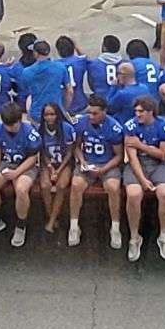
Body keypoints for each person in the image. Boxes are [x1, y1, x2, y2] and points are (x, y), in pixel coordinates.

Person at [121, 97, 165, 261]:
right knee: (134, 194)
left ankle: (164, 235)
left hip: (159, 165)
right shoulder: (130, 126)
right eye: (135, 111)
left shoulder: (164, 126)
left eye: (141, 111)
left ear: (150, 112)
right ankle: (134, 237)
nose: (137, 114)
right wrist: (142, 180)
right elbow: (132, 158)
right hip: (138, 165)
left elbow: (164, 155)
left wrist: (141, 146)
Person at [68, 95, 125, 249]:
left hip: (108, 164)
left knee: (113, 188)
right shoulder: (81, 122)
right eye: (90, 112)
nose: (91, 116)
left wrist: (104, 169)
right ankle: (74, 225)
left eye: (95, 113)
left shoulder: (114, 128)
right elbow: (77, 147)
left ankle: (115, 227)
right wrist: (82, 161)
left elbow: (119, 155)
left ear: (104, 112)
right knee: (76, 185)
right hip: (88, 163)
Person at [0, 103, 41, 247]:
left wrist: (16, 173)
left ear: (20, 120)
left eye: (13, 125)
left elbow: (32, 158)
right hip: (6, 163)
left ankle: (21, 225)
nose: (10, 128)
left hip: (25, 165)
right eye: (7, 125)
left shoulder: (30, 132)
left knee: (21, 189)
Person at [38, 103, 76, 234]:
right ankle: (51, 216)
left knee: (61, 186)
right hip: (48, 163)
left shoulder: (67, 128)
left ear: (58, 115)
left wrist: (58, 170)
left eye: (52, 114)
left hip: (64, 163)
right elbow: (42, 152)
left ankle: (51, 220)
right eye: (46, 115)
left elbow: (70, 152)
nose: (49, 117)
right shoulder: (41, 129)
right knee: (44, 186)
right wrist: (50, 167)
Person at [20, 39, 68, 116]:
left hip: (37, 113)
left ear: (35, 53)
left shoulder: (26, 72)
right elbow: (69, 91)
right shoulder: (60, 67)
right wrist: (64, 108)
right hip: (56, 112)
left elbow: (26, 92)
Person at [56, 35, 90, 115]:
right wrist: (76, 46)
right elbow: (85, 57)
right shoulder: (80, 61)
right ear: (73, 48)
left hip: (62, 105)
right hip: (81, 104)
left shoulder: (55, 65)